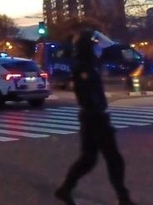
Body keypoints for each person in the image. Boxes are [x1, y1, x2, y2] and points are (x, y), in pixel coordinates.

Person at [55, 30, 136, 205]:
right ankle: (123, 198)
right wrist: (98, 112)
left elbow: (109, 51)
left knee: (88, 159)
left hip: (92, 116)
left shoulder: (89, 64)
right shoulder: (83, 67)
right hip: (95, 117)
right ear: (87, 48)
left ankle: (65, 189)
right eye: (94, 46)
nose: (98, 49)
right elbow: (86, 95)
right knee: (113, 158)